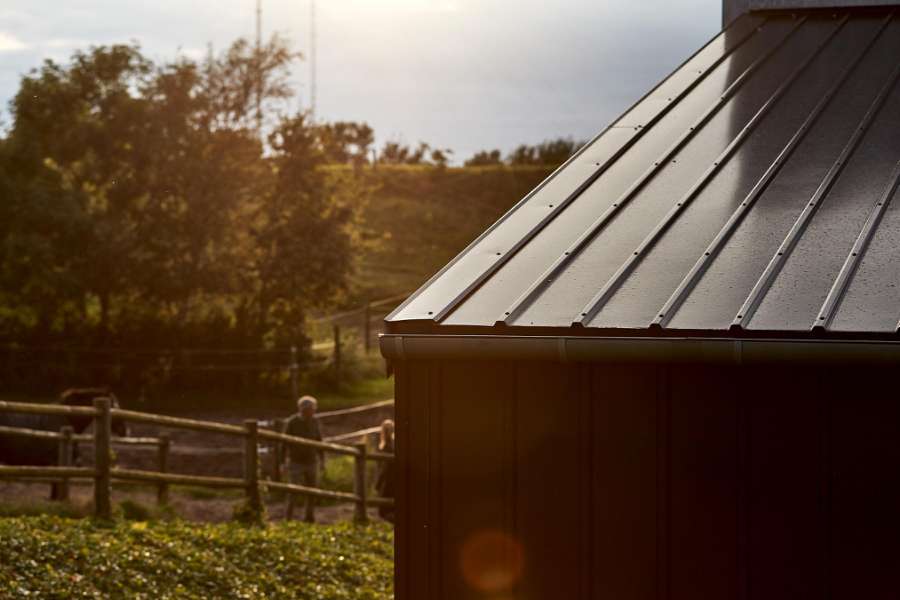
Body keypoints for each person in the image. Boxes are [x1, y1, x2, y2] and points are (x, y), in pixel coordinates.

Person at [283, 395, 325, 522]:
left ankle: (309, 517)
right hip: (296, 461)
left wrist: (322, 459)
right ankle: (288, 518)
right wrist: (282, 461)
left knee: (312, 491)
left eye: (313, 409)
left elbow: (319, 440)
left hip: (311, 461)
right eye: (311, 409)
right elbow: (284, 442)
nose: (313, 411)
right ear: (303, 409)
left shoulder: (315, 421)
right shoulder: (292, 422)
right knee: (293, 491)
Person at [375, 419, 395, 523]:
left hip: (387, 479)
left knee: (383, 510)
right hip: (390, 478)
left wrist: (378, 482)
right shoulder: (391, 444)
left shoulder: (387, 446)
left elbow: (384, 467)